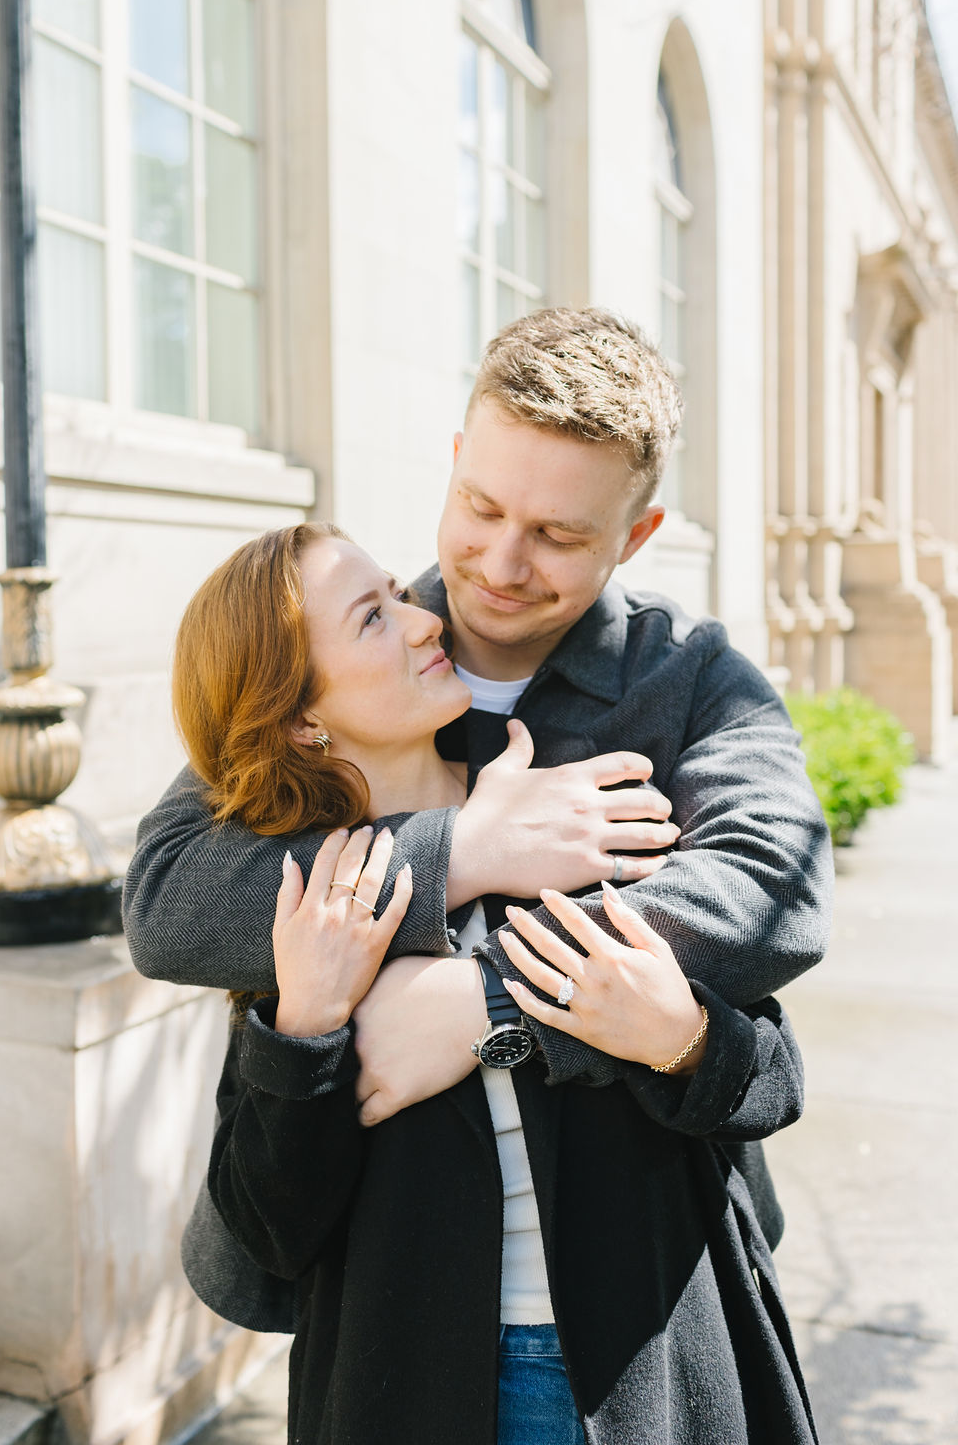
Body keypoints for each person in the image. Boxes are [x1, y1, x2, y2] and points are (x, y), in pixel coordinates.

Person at [123, 305, 831, 1311]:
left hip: (645, 1266)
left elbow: (771, 897)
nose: (500, 566)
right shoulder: (344, 652)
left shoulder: (691, 678)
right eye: (481, 507)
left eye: (555, 535)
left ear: (634, 538)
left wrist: (490, 1001)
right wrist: (461, 851)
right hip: (387, 1286)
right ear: (455, 460)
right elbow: (166, 899)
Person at [178, 521, 816, 1444]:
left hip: (655, 1363)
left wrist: (678, 1039)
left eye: (399, 591)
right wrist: (309, 1030)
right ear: (301, 719)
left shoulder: (575, 816)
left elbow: (772, 1076)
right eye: (372, 618)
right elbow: (272, 1229)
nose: (424, 621)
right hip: (413, 1387)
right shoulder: (307, 909)